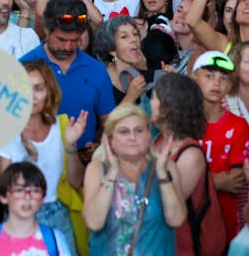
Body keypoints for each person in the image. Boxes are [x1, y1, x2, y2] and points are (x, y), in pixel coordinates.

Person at [0, 60, 86, 256]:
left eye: (38, 89)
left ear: (49, 92)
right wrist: (27, 157)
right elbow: (3, 190)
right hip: (20, 216)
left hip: (59, 213)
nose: (32, 96)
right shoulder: (7, 132)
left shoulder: (61, 126)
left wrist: (70, 145)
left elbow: (76, 181)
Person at [82, 103, 185, 255]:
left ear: (149, 135)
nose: (132, 137)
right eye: (124, 132)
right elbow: (93, 223)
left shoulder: (167, 167)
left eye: (139, 131)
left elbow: (177, 220)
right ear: (110, 140)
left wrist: (162, 174)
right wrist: (112, 174)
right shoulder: (97, 169)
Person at [21, 0, 115, 155]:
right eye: (61, 40)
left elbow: (109, 123)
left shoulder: (96, 70)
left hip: (82, 167)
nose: (68, 47)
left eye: (75, 40)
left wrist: (100, 147)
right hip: (34, 166)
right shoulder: (24, 67)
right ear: (46, 31)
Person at [151, 72, 225, 256]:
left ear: (168, 105)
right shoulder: (158, 140)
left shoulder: (190, 154)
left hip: (187, 246)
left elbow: (168, 208)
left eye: (154, 98)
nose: (150, 103)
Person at [191, 50, 249, 243]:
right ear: (194, 77)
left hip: (226, 223)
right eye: (209, 76)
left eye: (223, 78)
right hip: (188, 223)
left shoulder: (238, 125)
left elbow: (236, 179)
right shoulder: (183, 122)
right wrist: (215, 182)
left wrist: (195, 183)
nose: (216, 83)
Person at [0, 161, 74, 256]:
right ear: (3, 197)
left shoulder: (55, 240)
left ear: (42, 199)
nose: (28, 197)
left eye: (35, 191)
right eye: (19, 190)